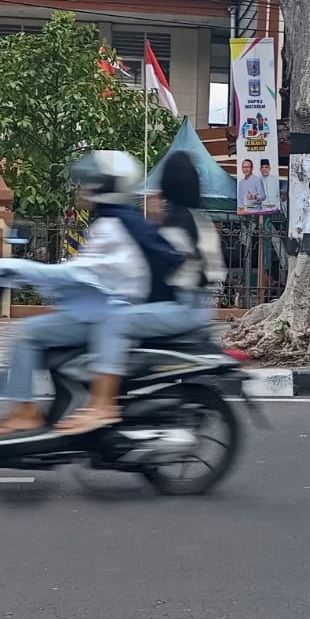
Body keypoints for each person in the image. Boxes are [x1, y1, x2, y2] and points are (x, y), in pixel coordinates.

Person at [0, 150, 178, 437]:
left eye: (91, 182)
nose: (84, 188)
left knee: (26, 333)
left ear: (106, 187)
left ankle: (26, 413)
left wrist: (9, 266)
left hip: (103, 316)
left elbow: (74, 274)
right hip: (99, 311)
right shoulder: (117, 221)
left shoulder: (113, 227)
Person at [65, 152, 228, 432]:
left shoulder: (176, 221)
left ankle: (103, 404)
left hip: (185, 306)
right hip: (200, 306)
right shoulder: (198, 218)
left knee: (115, 321)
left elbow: (161, 269)